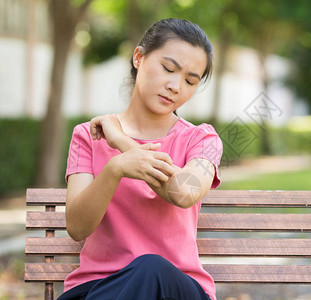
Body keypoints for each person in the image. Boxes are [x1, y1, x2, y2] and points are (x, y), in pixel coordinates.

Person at [57, 18, 222, 300]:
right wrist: (115, 169)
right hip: (99, 287)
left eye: (190, 81)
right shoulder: (88, 136)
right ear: (138, 57)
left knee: (151, 267)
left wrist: (122, 143)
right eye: (168, 69)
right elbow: (77, 227)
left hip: (175, 288)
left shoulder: (203, 140)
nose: (175, 86)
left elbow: (185, 192)